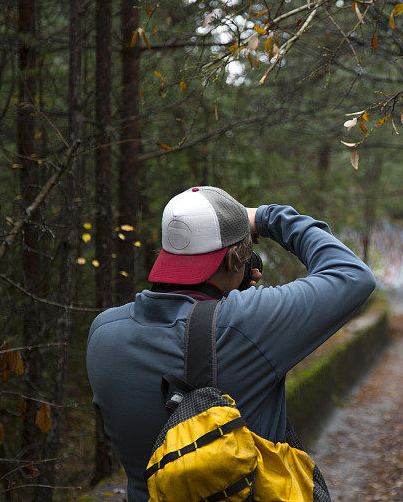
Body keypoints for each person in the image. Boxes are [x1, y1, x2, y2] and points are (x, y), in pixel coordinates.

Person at [86, 186, 377, 501]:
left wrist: (220, 302)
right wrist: (267, 218)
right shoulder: (243, 324)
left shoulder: (104, 333)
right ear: (234, 259)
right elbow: (352, 275)